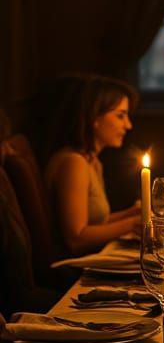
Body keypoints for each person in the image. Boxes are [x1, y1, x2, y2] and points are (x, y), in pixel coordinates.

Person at [43, 74, 142, 255]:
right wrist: (132, 224)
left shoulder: (91, 160)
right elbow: (76, 238)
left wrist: (131, 213)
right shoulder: (73, 163)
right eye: (120, 116)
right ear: (94, 118)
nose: (128, 125)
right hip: (71, 273)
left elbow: (95, 222)